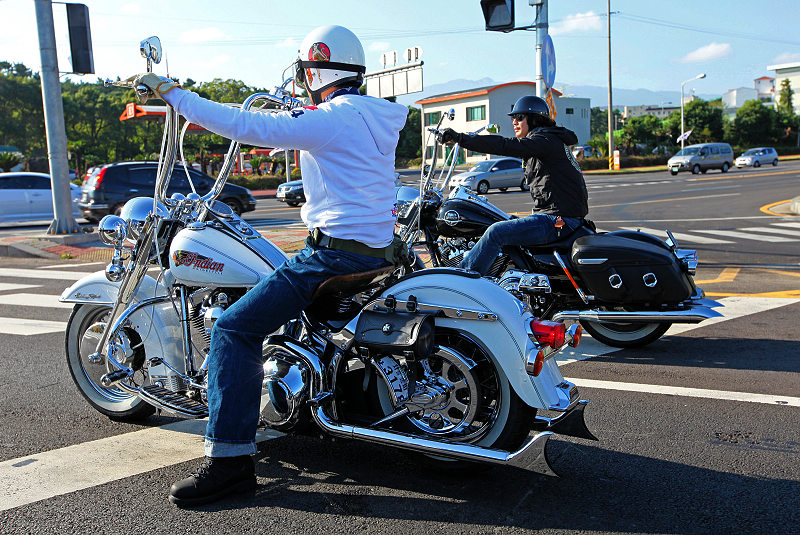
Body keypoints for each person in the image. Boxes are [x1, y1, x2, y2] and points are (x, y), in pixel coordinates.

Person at [133, 25, 408, 506]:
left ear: (315, 66)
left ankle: (230, 464)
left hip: (333, 254)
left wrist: (173, 94)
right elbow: (318, 141)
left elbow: (247, 126)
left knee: (234, 330)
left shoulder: (330, 118)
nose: (300, 80)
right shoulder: (370, 116)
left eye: (304, 70)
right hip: (379, 251)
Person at [437, 95, 589, 275]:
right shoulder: (548, 139)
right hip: (557, 217)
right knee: (501, 222)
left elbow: (505, 145)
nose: (514, 122)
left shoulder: (544, 139)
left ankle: (462, 281)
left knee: (496, 232)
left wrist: (460, 138)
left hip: (558, 220)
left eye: (519, 117)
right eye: (513, 118)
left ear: (534, 119)